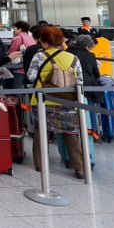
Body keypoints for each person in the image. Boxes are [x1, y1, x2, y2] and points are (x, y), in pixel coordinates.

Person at [27, 26, 85, 179]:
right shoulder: (72, 57)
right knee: (71, 133)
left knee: (41, 132)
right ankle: (79, 168)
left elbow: (31, 77)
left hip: (43, 99)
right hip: (68, 100)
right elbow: (79, 80)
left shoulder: (39, 56)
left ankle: (40, 165)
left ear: (43, 41)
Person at [7, 20, 36, 89]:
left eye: (15, 28)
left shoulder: (17, 38)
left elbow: (11, 54)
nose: (14, 30)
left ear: (20, 29)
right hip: (30, 68)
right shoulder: (31, 38)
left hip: (19, 69)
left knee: (18, 89)